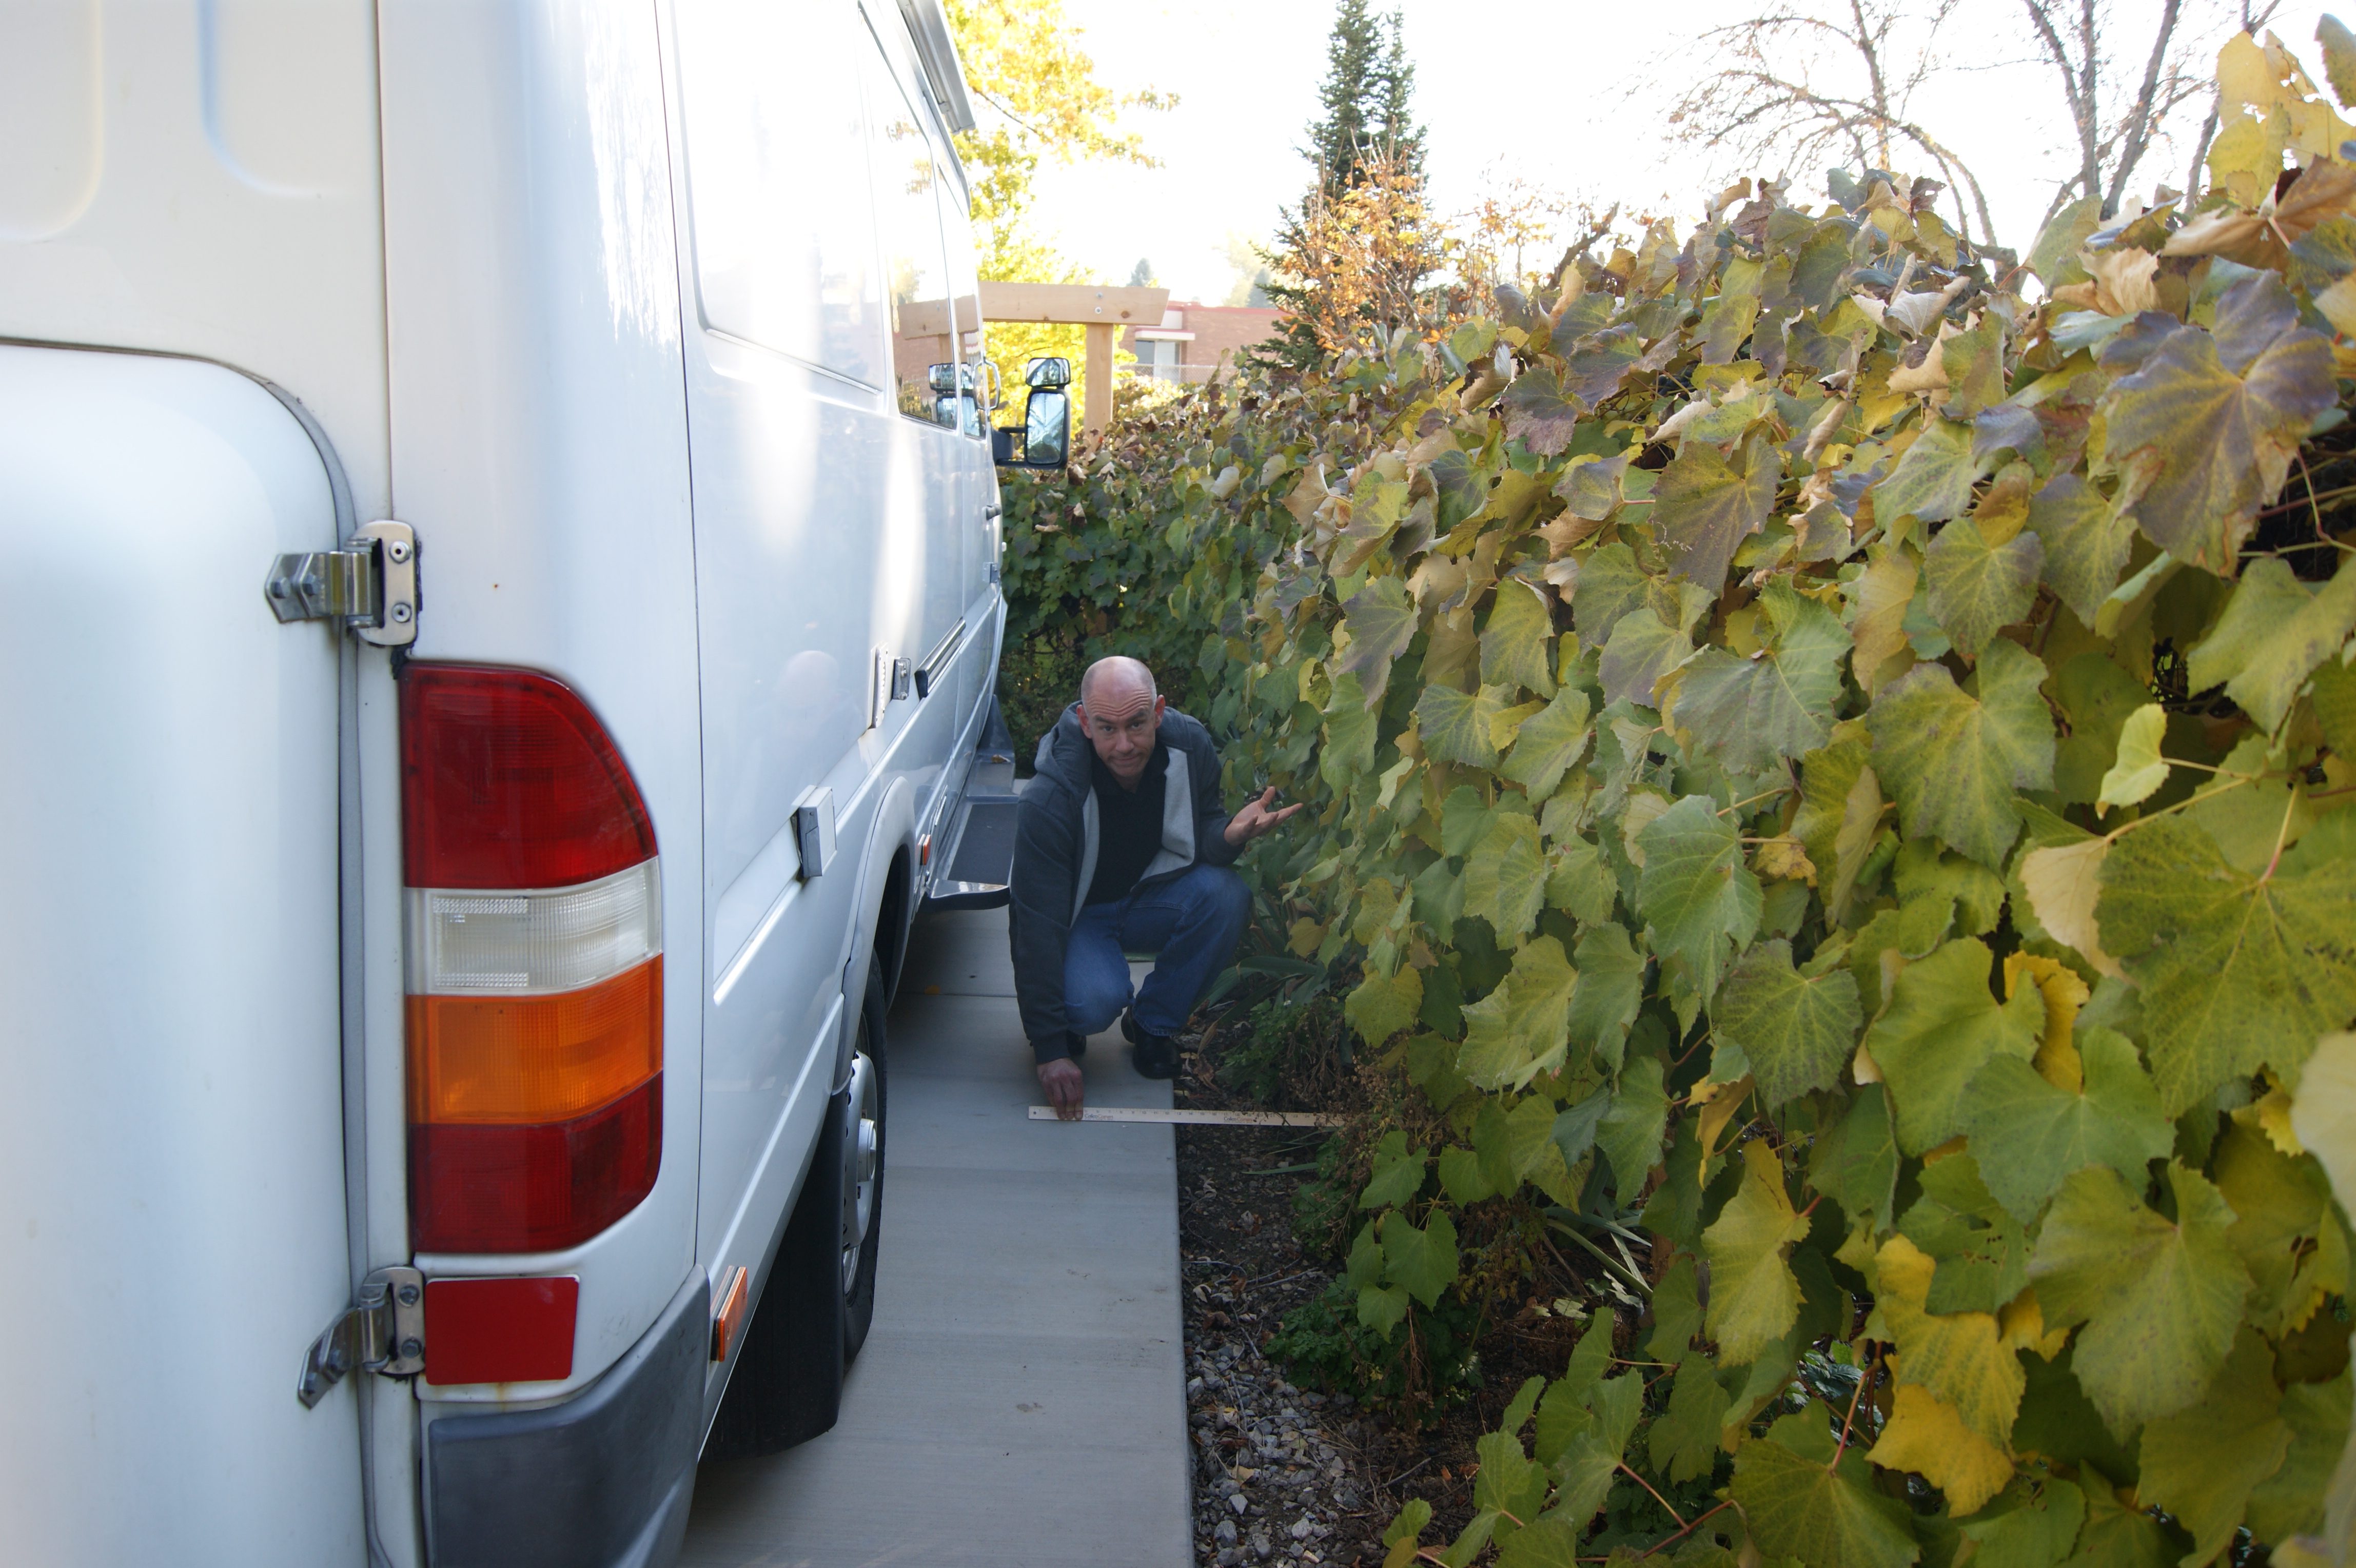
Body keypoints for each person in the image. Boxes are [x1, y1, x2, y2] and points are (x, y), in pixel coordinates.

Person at [1009, 656, 1302, 1120]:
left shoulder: (1189, 746)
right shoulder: (1050, 799)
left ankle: (1153, 1025)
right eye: (1107, 728)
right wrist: (1049, 1049)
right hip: (1079, 915)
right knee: (1091, 1005)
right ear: (1085, 723)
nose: (1124, 745)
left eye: (1137, 724)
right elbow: (1034, 927)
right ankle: (1068, 1018)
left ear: (1159, 712)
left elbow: (1201, 832)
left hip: (1148, 897)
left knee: (1227, 895)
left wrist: (1228, 836)